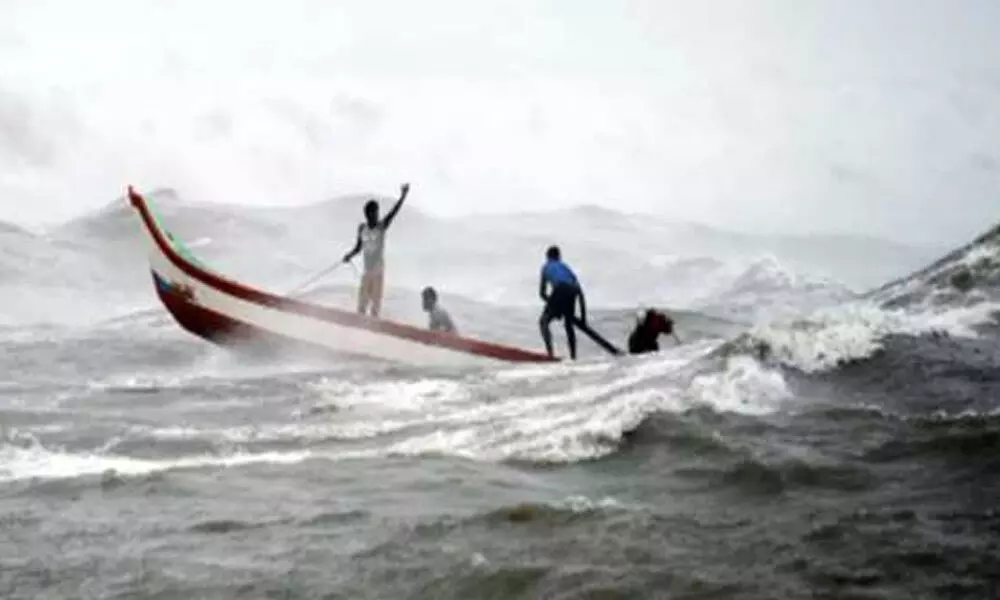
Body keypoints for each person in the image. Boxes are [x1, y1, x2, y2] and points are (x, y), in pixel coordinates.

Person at [341, 183, 410, 318]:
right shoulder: (362, 228)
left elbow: (393, 212)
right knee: (361, 306)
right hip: (366, 273)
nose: (376, 216)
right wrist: (349, 255)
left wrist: (403, 196)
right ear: (367, 215)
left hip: (378, 273)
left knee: (375, 308)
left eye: (377, 212)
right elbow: (358, 248)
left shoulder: (381, 227)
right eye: (373, 213)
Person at [538, 245, 587, 359]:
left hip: (560, 289)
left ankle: (550, 355)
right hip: (573, 291)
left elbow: (542, 293)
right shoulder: (566, 267)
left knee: (543, 322)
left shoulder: (546, 267)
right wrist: (583, 319)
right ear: (559, 257)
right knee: (568, 325)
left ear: (547, 257)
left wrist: (552, 304)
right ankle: (573, 357)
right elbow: (579, 292)